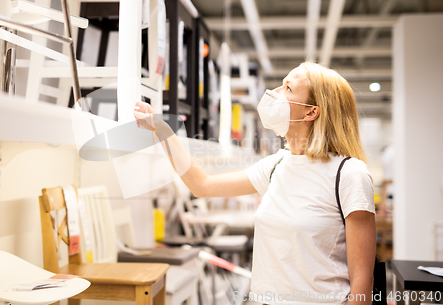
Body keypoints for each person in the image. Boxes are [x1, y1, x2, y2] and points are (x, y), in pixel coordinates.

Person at [134, 62, 376, 305]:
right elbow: (202, 185)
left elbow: (362, 285)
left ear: (311, 112)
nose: (275, 93)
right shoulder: (277, 165)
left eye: (288, 88)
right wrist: (164, 131)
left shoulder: (349, 174)